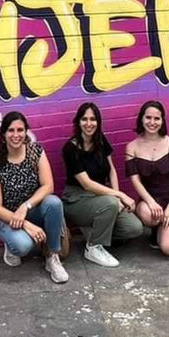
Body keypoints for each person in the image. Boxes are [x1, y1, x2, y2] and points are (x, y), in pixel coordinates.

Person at [0, 111, 69, 283]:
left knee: (54, 202)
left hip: (29, 211)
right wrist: (25, 224)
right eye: (11, 130)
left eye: (20, 130)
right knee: (23, 246)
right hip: (4, 218)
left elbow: (48, 186)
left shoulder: (35, 152)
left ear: (26, 132)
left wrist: (26, 206)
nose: (16, 135)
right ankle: (10, 244)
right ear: (3, 135)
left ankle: (52, 256)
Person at [62, 102, 143, 267]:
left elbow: (111, 170)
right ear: (78, 122)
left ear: (98, 122)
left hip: (102, 198)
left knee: (134, 228)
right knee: (110, 203)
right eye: (84, 119)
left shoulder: (100, 140)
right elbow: (87, 184)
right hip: (76, 199)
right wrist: (118, 196)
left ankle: (93, 232)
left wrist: (117, 197)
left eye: (93, 119)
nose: (89, 123)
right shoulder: (70, 149)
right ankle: (93, 247)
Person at [126, 100, 169, 256]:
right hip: (152, 200)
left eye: (157, 118)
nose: (152, 122)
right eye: (148, 117)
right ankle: (159, 227)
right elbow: (135, 181)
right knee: (144, 212)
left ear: (162, 121)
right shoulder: (132, 147)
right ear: (141, 119)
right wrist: (150, 201)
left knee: (168, 248)